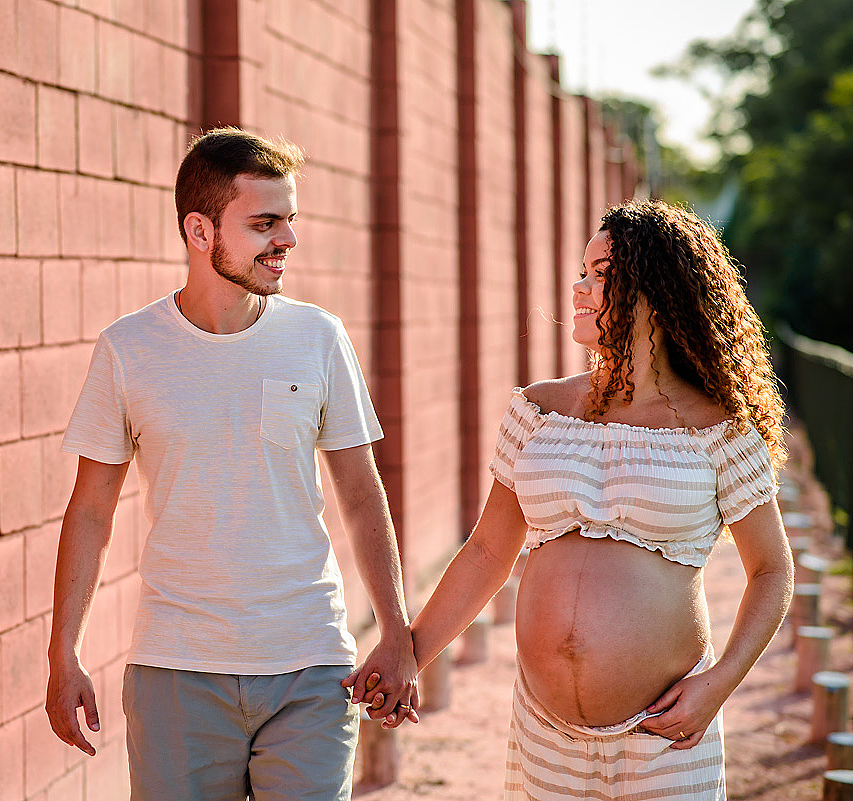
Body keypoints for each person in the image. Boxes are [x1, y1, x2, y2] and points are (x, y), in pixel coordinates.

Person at [365, 199, 793, 798]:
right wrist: (412, 655)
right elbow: (489, 551)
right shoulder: (537, 411)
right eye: (582, 271)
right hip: (543, 737)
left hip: (666, 737)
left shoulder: (718, 428)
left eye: (602, 274)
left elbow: (772, 571)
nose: (579, 288)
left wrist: (719, 684)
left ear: (658, 291)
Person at [44, 126, 419, 801]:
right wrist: (62, 649)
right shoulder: (129, 349)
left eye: (291, 221)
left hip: (310, 666)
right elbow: (91, 509)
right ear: (200, 230)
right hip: (176, 670)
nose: (288, 240)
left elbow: (362, 495)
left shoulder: (318, 338)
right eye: (265, 222)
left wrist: (396, 629)